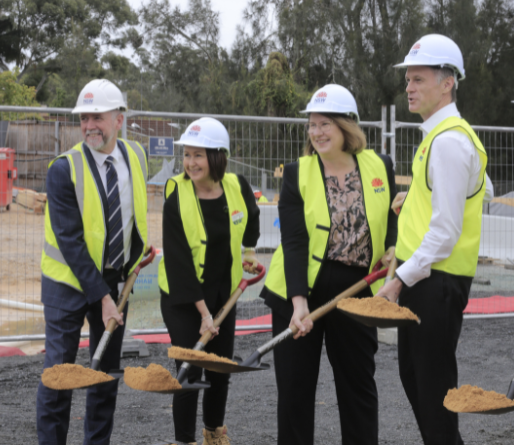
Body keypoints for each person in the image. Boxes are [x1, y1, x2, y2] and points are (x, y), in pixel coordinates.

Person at [260, 84, 397, 445]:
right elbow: (294, 242)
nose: (317, 133)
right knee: (295, 391)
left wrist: (393, 247)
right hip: (299, 288)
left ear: (346, 126)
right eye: (312, 125)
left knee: (358, 386)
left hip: (356, 288)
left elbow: (390, 219)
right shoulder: (296, 173)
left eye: (325, 124)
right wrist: (299, 303)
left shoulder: (380, 164)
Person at [376, 34, 487, 445]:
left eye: (419, 79)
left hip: (434, 282)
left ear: (448, 83)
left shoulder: (449, 141)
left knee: (434, 396)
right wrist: (424, 194)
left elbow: (445, 231)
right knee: (418, 384)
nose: (409, 87)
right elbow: (483, 189)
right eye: (408, 79)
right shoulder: (443, 137)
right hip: (431, 281)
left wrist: (398, 280)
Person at [36, 79, 149, 445]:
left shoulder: (137, 156)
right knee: (60, 376)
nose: (89, 126)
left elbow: (131, 216)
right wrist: (102, 298)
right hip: (67, 285)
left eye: (97, 117)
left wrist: (135, 256)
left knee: (105, 375)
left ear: (119, 118)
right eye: (84, 118)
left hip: (116, 282)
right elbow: (70, 241)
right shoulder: (62, 170)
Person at [158, 117, 260, 445]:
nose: (190, 163)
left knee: (219, 368)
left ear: (217, 156)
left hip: (223, 293)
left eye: (198, 155)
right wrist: (203, 313)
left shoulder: (236, 185)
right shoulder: (177, 193)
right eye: (187, 155)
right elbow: (178, 262)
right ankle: (184, 440)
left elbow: (252, 218)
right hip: (183, 298)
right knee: (191, 370)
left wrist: (249, 250)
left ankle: (214, 432)